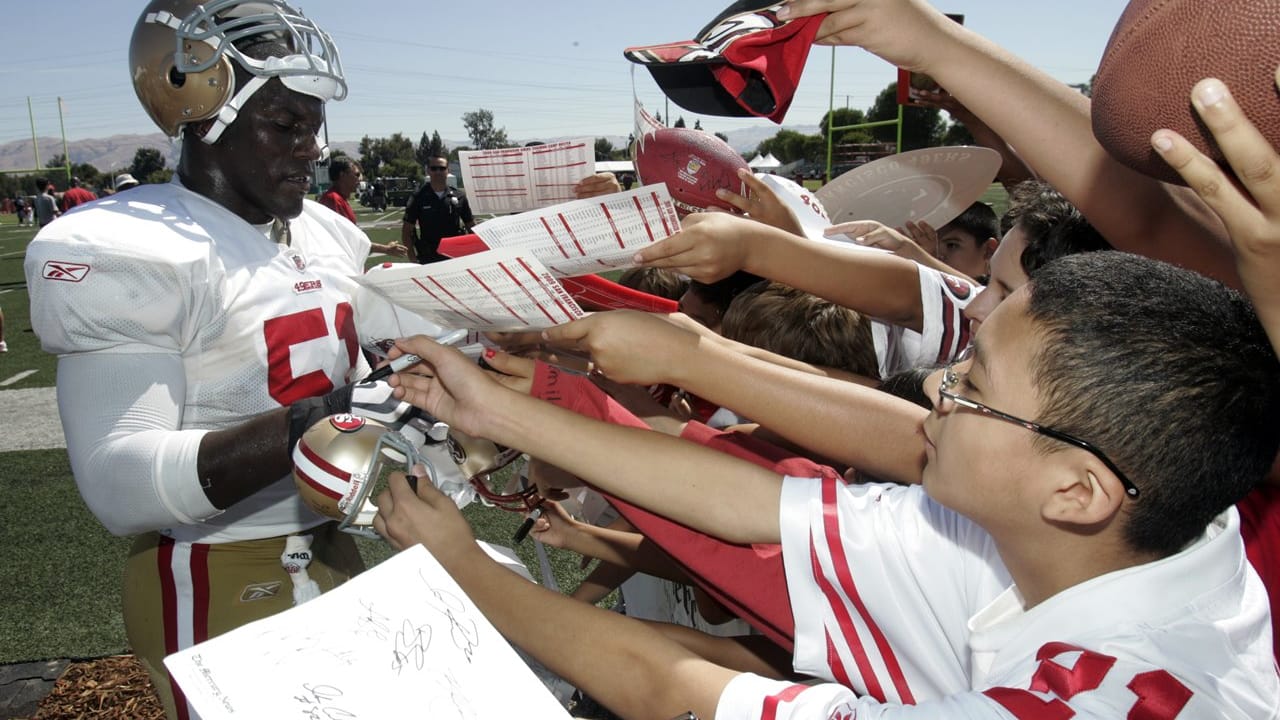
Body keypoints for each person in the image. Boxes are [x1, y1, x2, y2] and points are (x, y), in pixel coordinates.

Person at [379, 251, 1279, 718]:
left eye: (973, 387)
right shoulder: (1141, 534)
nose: (935, 387)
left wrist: (461, 568)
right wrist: (499, 415)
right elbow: (754, 506)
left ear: (1077, 491)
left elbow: (674, 690)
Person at [21, 3, 449, 718]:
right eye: (285, 125)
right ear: (200, 113)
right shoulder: (131, 249)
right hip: (216, 567)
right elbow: (119, 482)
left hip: (332, 544)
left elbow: (418, 326)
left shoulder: (325, 232)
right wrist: (322, 421)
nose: (310, 148)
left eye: (314, 126)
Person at [318, 157, 404, 257]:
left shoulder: (339, 199)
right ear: (342, 175)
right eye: (356, 175)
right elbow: (348, 240)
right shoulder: (333, 199)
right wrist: (386, 249)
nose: (360, 179)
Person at [402, 155, 475, 263]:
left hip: (455, 257)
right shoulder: (418, 197)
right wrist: (413, 259)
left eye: (442, 168)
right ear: (428, 171)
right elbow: (407, 231)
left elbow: (471, 227)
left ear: (447, 171)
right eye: (434, 168)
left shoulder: (459, 196)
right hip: (428, 257)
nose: (438, 172)